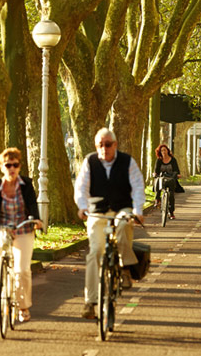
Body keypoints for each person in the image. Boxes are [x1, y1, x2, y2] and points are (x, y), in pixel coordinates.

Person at [74, 128, 145, 320]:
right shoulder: (90, 162)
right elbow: (81, 187)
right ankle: (90, 301)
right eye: (100, 145)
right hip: (97, 211)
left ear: (115, 145)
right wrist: (82, 207)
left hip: (122, 209)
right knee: (95, 252)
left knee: (123, 225)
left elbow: (138, 186)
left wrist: (138, 210)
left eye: (108, 144)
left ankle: (125, 268)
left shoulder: (127, 161)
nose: (104, 148)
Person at [0, 148, 43, 323]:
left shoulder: (26, 184)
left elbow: (33, 204)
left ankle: (23, 306)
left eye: (15, 165)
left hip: (23, 229)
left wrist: (36, 220)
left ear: (19, 167)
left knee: (22, 270)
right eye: (8, 165)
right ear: (2, 167)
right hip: (1, 226)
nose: (12, 168)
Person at [153, 144, 184, 220]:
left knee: (171, 195)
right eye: (162, 150)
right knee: (157, 180)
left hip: (171, 179)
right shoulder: (159, 160)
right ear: (160, 152)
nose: (163, 151)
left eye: (165, 150)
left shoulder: (173, 159)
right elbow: (156, 170)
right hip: (162, 178)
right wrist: (154, 174)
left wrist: (178, 175)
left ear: (167, 151)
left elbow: (176, 170)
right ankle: (157, 199)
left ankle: (171, 212)